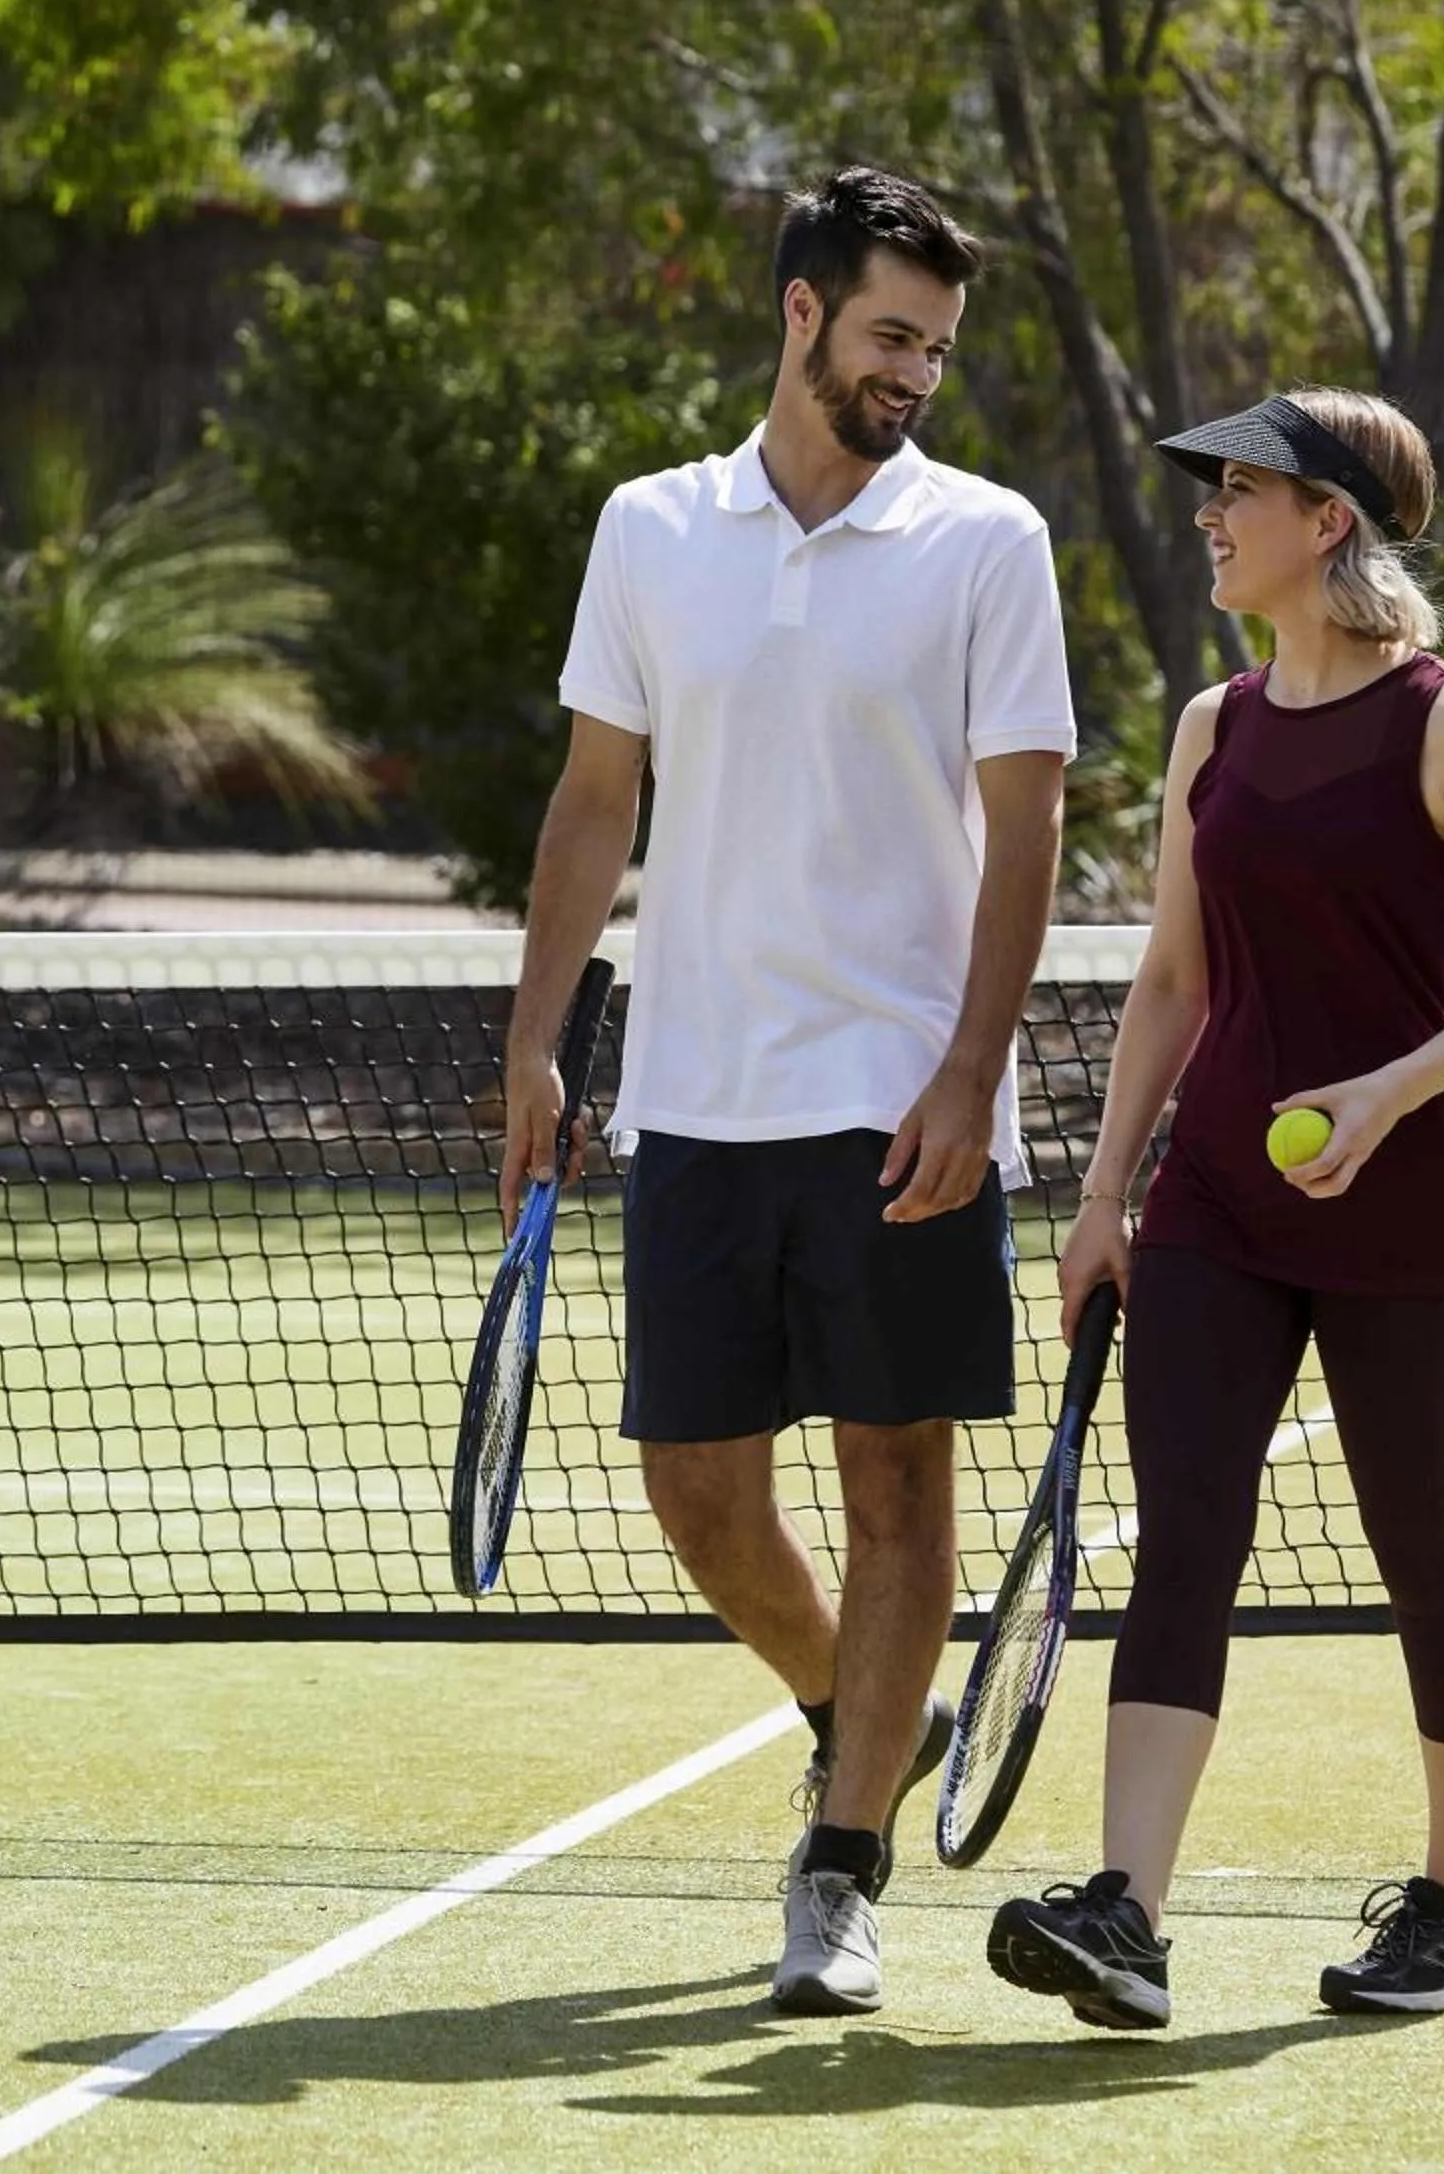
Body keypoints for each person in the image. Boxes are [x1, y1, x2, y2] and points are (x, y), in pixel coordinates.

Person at [499, 166, 1075, 2017]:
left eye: (940, 345)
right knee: (694, 1495)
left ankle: (841, 1866)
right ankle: (862, 1719)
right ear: (802, 312)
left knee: (901, 1488)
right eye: (894, 333)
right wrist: (534, 1035)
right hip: (691, 1101)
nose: (918, 371)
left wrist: (974, 1074)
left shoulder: (990, 541)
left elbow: (1027, 824)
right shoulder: (650, 528)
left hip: (903, 1104)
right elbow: (600, 800)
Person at [983, 388, 1444, 2030]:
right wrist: (1107, 1195)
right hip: (1216, 1209)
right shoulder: (1209, 728)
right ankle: (1127, 1914)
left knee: (1423, 1545)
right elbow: (1170, 974)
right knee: (1184, 1535)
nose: (1209, 514)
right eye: (1210, 489)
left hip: (1418, 1222)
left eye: (1240, 489)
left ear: (1332, 521)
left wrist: (1389, 1092)